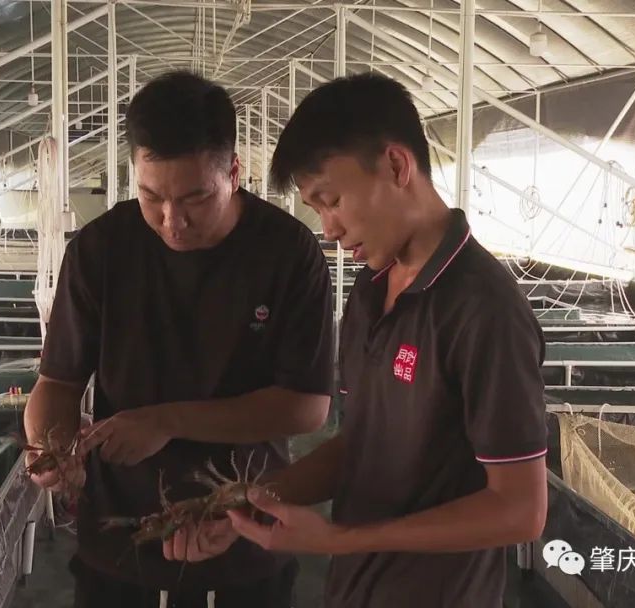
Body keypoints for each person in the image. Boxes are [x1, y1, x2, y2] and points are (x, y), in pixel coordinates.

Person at [168, 72, 550, 607]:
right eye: (316, 208)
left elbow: (520, 511)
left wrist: (341, 539)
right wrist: (249, 503)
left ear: (397, 165)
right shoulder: (371, 288)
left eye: (332, 199)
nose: (328, 228)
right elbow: (365, 443)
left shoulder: (482, 308)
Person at [23, 70, 335, 608]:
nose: (172, 221)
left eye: (195, 198)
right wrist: (50, 447)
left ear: (234, 172)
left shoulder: (288, 254)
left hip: (244, 526)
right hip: (120, 541)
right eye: (151, 197)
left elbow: (307, 408)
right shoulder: (100, 251)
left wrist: (166, 421)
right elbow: (57, 380)